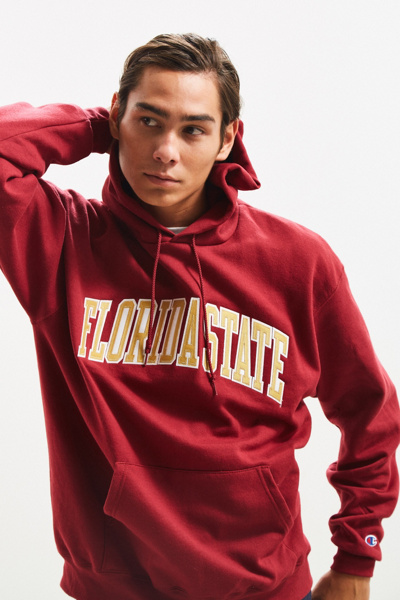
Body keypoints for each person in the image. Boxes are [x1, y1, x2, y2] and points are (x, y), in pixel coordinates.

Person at [0, 33, 398, 600]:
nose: (166, 151)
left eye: (193, 129)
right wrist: (96, 126)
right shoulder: (62, 242)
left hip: (263, 588)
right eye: (149, 121)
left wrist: (358, 555)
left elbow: (371, 414)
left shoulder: (297, 263)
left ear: (227, 139)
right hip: (114, 590)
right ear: (118, 115)